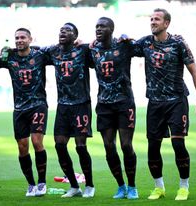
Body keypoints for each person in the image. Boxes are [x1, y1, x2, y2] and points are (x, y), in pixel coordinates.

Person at [133, 8, 196, 201]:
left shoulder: (178, 43)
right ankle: (159, 188)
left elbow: (194, 70)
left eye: (157, 19)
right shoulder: (145, 43)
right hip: (155, 103)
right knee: (152, 147)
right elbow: (123, 48)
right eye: (151, 19)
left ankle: (184, 187)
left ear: (166, 23)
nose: (152, 22)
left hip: (176, 101)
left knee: (177, 143)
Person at [0, 28, 49, 197]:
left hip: (38, 105)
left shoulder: (40, 55)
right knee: (22, 147)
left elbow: (60, 54)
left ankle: (42, 182)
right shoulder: (9, 57)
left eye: (22, 37)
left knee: (36, 141)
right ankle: (31, 184)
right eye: (16, 38)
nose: (19, 40)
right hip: (19, 109)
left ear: (30, 39)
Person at [89, 17, 138, 199]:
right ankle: (121, 186)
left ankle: (132, 186)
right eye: (97, 26)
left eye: (102, 26)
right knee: (109, 146)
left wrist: (129, 38)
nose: (98, 29)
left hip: (125, 102)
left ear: (111, 29)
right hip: (104, 104)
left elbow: (140, 47)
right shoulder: (92, 49)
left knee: (126, 145)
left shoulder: (123, 46)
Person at [44, 23, 95, 198]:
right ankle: (74, 186)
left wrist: (86, 43)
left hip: (81, 104)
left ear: (75, 36)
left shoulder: (83, 50)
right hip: (63, 106)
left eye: (67, 31)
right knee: (59, 145)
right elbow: (34, 51)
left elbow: (98, 47)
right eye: (61, 30)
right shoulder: (53, 51)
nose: (62, 33)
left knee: (81, 147)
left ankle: (89, 185)